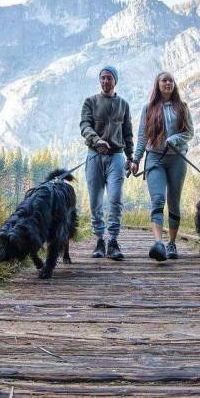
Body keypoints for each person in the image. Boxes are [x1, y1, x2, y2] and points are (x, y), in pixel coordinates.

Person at [130, 71, 194, 261]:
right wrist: (136, 160)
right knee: (157, 199)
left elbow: (189, 132)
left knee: (174, 200)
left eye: (171, 80)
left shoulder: (182, 107)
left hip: (177, 159)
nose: (168, 83)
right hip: (155, 159)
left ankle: (172, 243)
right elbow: (142, 137)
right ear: (157, 84)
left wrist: (175, 138)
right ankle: (159, 244)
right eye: (164, 80)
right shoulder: (148, 108)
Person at [80, 65, 134, 260]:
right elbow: (84, 125)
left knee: (115, 199)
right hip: (94, 156)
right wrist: (96, 140)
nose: (105, 81)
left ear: (115, 81)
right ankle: (99, 240)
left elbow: (128, 133)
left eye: (109, 78)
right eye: (102, 78)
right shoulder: (90, 102)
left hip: (117, 157)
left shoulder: (124, 105)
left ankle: (113, 240)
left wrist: (131, 158)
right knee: (95, 201)